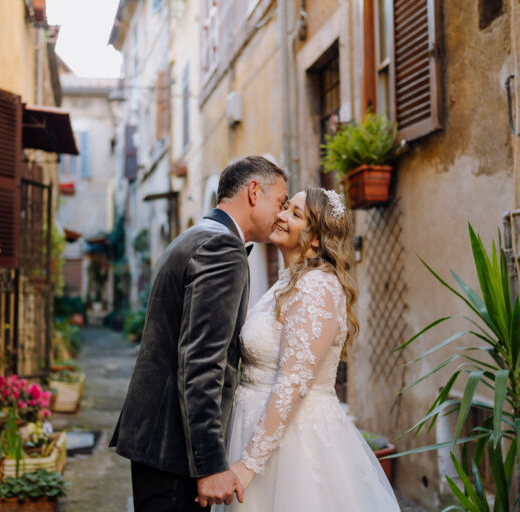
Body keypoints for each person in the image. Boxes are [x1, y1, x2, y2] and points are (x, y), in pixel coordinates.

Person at [110, 156, 288, 512]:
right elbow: (201, 363)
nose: (281, 214)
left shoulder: (196, 236)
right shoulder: (222, 249)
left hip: (158, 443)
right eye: (281, 202)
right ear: (254, 192)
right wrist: (209, 466)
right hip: (175, 452)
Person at [217, 187, 400, 511]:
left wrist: (248, 464)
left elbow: (294, 381)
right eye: (286, 207)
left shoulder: (317, 286)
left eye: (295, 214)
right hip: (257, 429)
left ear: (316, 240)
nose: (281, 215)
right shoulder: (286, 284)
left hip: (294, 445)